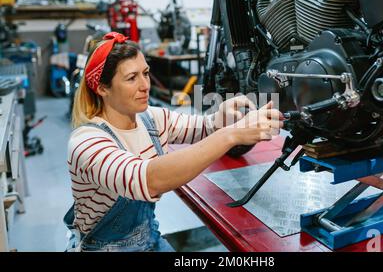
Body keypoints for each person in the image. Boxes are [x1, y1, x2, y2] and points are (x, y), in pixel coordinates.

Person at [64, 32, 283, 252]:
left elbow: (203, 127)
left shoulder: (150, 119)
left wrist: (221, 118)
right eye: (131, 78)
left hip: (150, 238)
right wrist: (231, 134)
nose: (145, 85)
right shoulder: (86, 142)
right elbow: (149, 179)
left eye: (146, 73)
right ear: (102, 88)